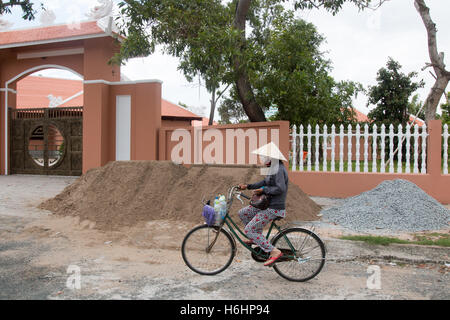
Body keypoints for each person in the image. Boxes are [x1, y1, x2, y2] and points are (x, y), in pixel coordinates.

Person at [238, 143, 289, 267]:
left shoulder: (279, 169)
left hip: (274, 208)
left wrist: (264, 190)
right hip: (268, 205)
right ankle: (255, 238)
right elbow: (264, 182)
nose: (262, 158)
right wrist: (248, 186)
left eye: (264, 156)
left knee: (249, 229)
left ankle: (274, 252)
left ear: (271, 157)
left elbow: (280, 188)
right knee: (243, 213)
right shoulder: (273, 168)